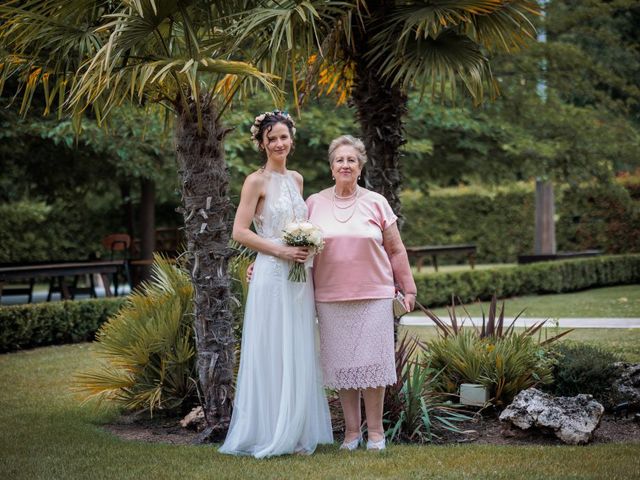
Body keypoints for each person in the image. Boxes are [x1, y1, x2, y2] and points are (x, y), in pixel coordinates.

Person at [218, 111, 333, 458]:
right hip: (272, 274)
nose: (279, 144)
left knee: (297, 346)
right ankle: (270, 430)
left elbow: (295, 225)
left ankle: (297, 430)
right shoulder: (256, 181)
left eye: (283, 137)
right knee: (272, 346)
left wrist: (305, 247)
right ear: (262, 143)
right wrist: (278, 251)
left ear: (291, 139)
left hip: (298, 277)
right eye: (272, 139)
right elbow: (239, 231)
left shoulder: (297, 180)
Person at [306, 135, 416, 451]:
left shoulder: (376, 202)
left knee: (372, 366)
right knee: (343, 368)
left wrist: (408, 287)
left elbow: (396, 249)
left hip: (375, 295)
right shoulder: (313, 203)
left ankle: (377, 434)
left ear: (360, 167)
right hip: (330, 297)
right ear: (331, 167)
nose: (345, 165)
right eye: (339, 160)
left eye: (351, 160)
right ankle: (352, 434)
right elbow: (296, 248)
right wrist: (262, 264)